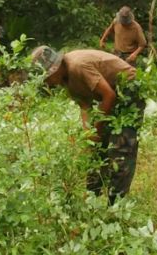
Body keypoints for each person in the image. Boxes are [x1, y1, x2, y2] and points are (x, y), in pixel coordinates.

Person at [31, 46, 144, 205]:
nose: (47, 82)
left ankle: (117, 205)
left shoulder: (78, 66)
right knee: (95, 150)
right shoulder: (65, 80)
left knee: (121, 147)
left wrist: (96, 128)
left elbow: (108, 96)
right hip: (109, 94)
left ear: (56, 68)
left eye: (48, 77)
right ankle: (92, 199)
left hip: (128, 89)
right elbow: (85, 106)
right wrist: (89, 136)